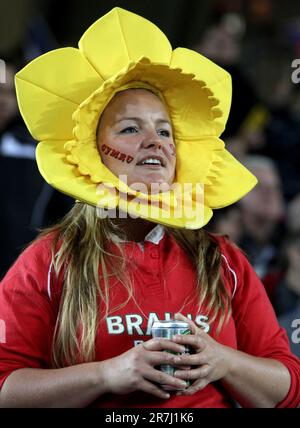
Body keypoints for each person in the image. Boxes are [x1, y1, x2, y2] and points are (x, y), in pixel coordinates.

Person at [0, 8, 299, 408]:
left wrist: (223, 361)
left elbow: (289, 387)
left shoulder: (223, 261)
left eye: (164, 130)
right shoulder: (47, 263)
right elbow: (5, 388)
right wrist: (109, 374)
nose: (155, 141)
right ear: (93, 152)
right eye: (130, 128)